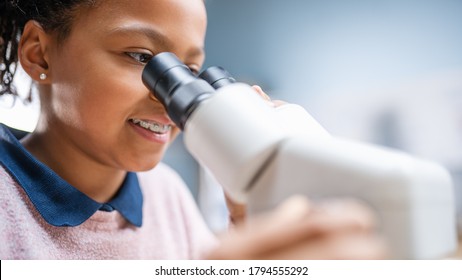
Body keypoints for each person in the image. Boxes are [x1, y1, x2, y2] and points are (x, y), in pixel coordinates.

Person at [0, 0, 386, 259]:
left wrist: (254, 223)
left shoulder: (167, 194)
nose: (171, 98)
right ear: (39, 53)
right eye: (141, 57)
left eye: (191, 72)